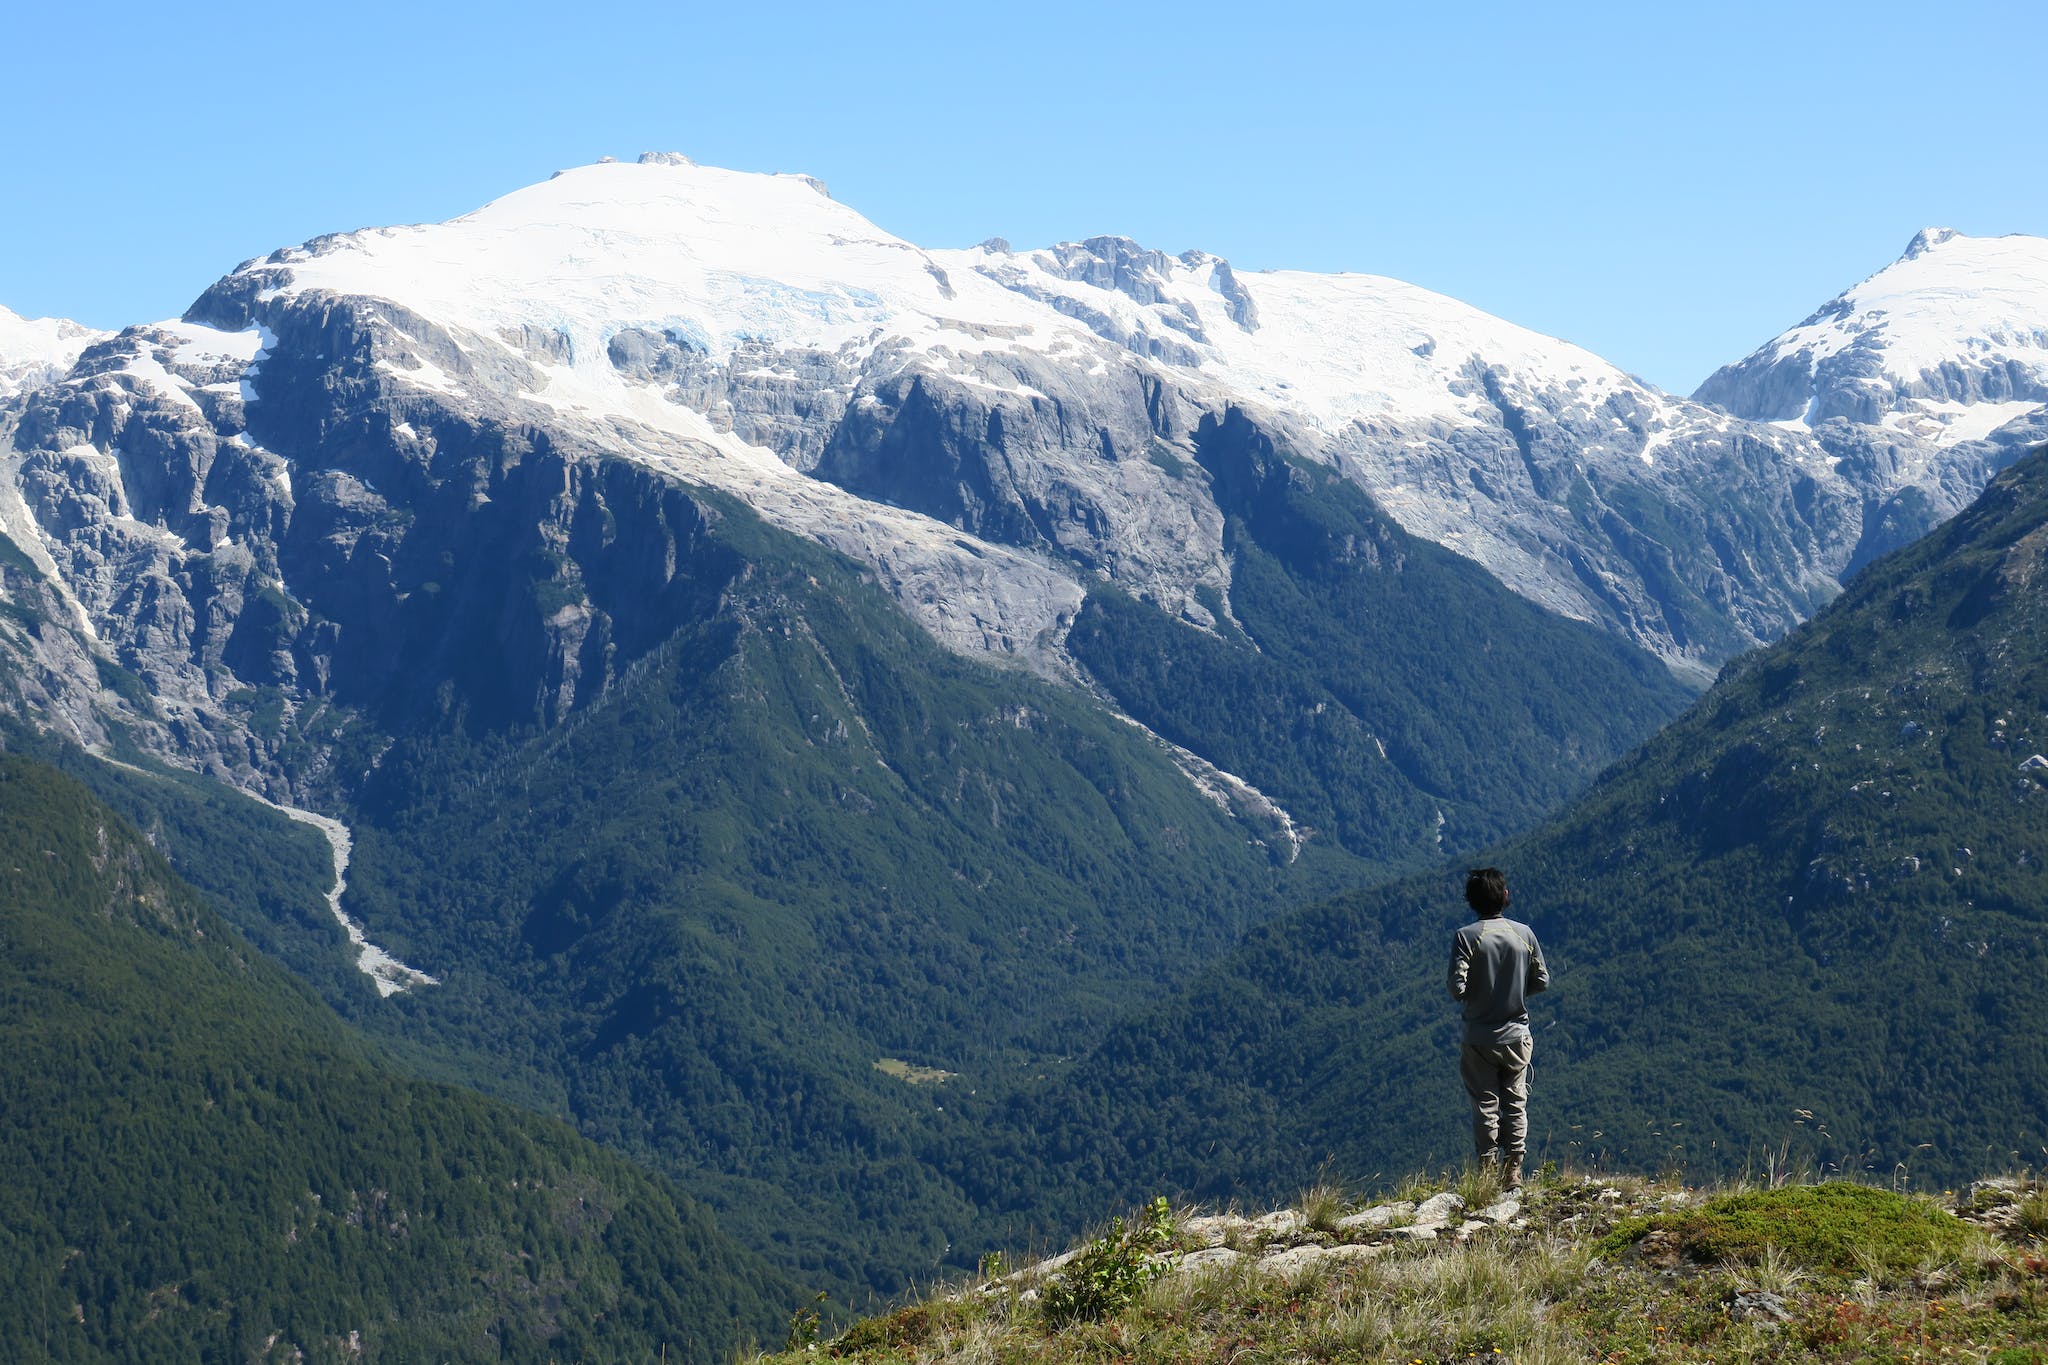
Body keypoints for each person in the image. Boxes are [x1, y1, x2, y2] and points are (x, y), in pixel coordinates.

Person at [1447, 867, 1549, 1189]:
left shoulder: (1466, 937)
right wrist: (1515, 991)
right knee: (1516, 1101)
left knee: (1485, 1106)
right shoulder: (1524, 933)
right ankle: (1514, 1171)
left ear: (1471, 901)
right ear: (1505, 896)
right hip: (1517, 1035)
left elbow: (1456, 988)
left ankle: (1486, 1172)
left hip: (1479, 1037)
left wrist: (1480, 994)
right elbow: (1542, 980)